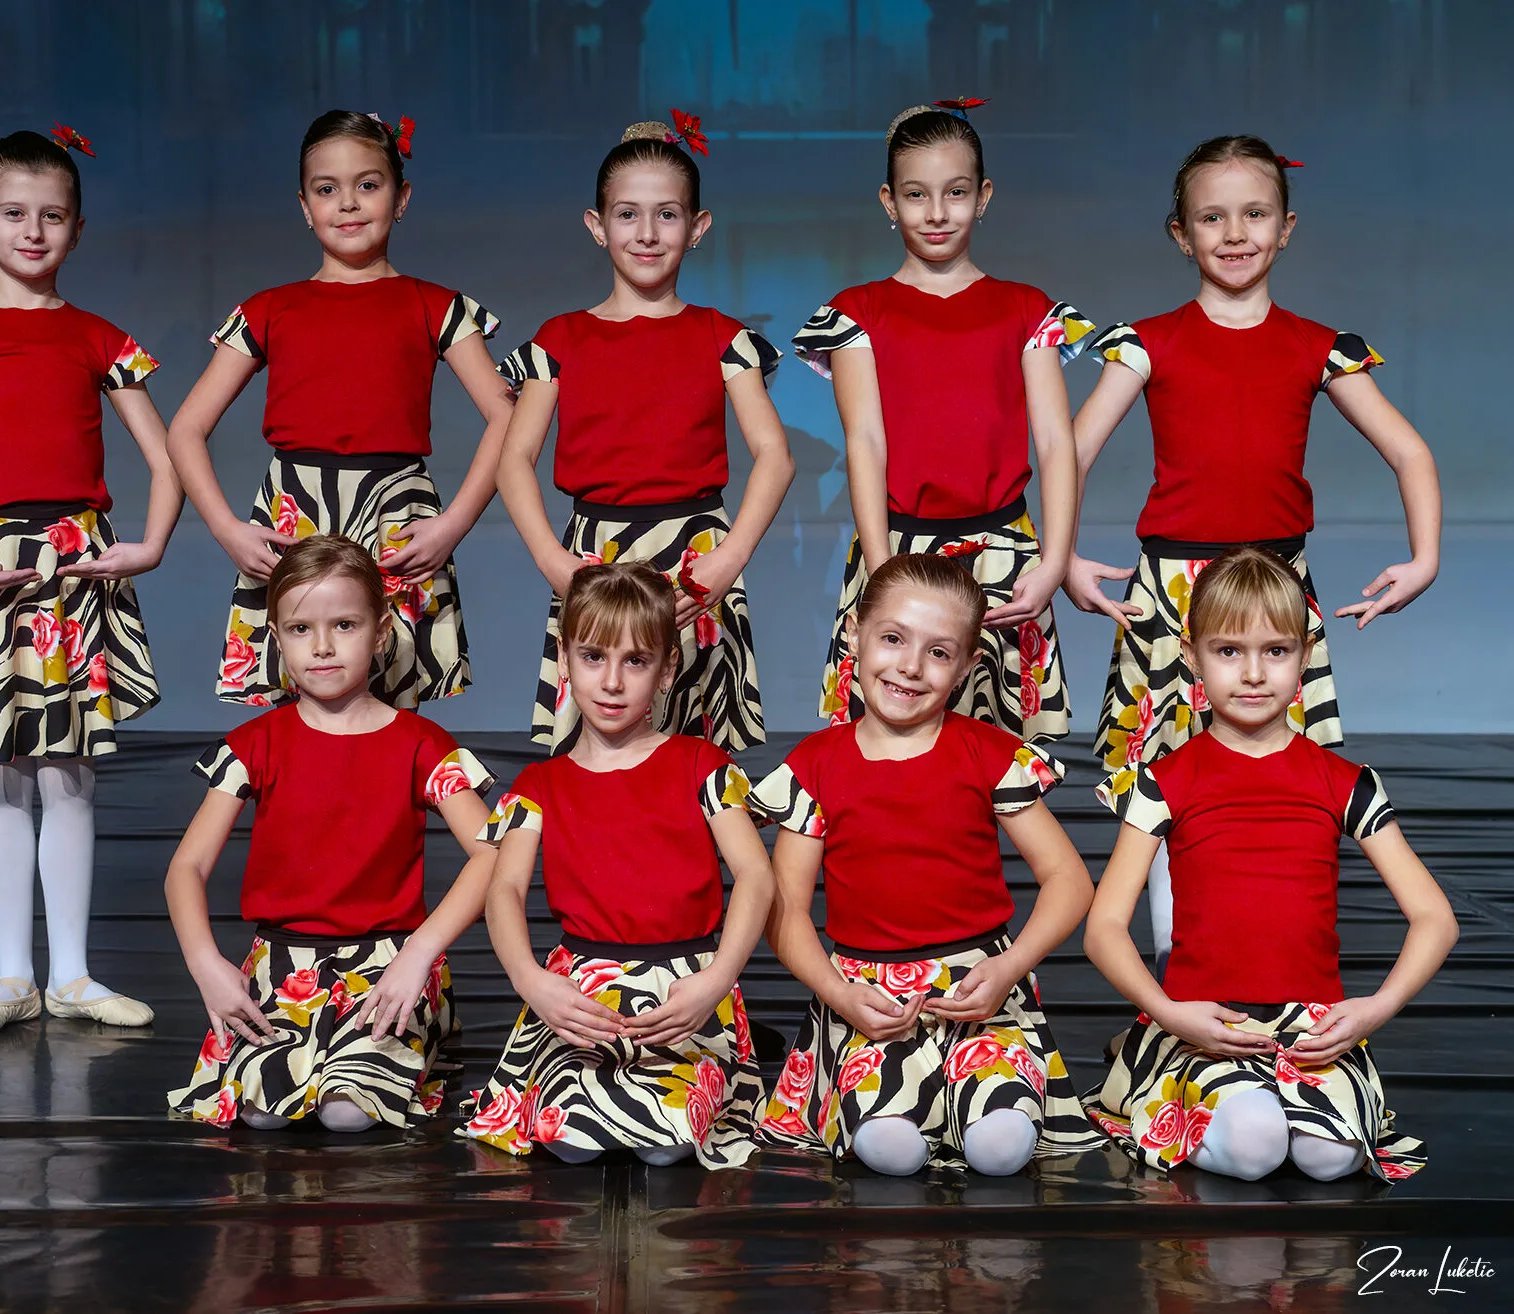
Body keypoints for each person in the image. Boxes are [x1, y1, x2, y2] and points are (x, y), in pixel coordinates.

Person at [1066, 135, 1442, 974]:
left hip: (1274, 591)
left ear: (1286, 227)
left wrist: (1425, 559)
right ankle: (1181, 964)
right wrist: (1060, 559)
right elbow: (1070, 452)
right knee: (1167, 778)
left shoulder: (1318, 345)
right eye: (1213, 217)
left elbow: (1410, 451)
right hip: (1174, 592)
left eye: (1254, 214)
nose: (1235, 233)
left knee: (1274, 778)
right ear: (1180, 233)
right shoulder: (1146, 343)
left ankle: (1270, 956)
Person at [0, 126, 180, 1036]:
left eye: (53, 215)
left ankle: (74, 975)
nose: (33, 231)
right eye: (14, 213)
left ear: (78, 229)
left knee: (69, 771)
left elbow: (165, 458)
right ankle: (12, 976)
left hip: (69, 565)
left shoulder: (99, 338)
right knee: (2, 770)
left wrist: (150, 545)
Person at [1084, 547, 1455, 1181]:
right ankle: (1168, 1077)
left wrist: (1374, 1009)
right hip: (1206, 1024)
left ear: (1305, 657)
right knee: (1255, 1146)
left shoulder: (1344, 781)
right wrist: (1171, 1013)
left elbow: (1435, 918)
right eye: (1229, 651)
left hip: (1312, 1034)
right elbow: (1103, 929)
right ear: (1193, 657)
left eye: (1275, 651)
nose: (1253, 674)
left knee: (1332, 1158)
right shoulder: (1163, 781)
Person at [751, 553, 1102, 1175]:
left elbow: (1069, 879)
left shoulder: (986, 752)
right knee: (889, 1150)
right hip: (869, 1002)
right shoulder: (815, 765)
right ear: (854, 635)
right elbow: (786, 912)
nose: (910, 666)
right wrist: (838, 994)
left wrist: (1009, 967)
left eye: (938, 652)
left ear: (967, 667)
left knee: (1002, 1148)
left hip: (979, 992)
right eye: (893, 639)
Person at [166, 110, 510, 709]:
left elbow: (508, 417)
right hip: (296, 512)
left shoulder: (436, 306)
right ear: (305, 206)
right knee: (301, 689)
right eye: (327, 189)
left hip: (396, 512)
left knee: (393, 690)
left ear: (402, 198)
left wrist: (454, 523)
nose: (348, 203)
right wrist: (226, 528)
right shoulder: (269, 310)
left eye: (367, 185)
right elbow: (186, 429)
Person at [167, 536, 497, 1131]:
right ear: (276, 638)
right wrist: (205, 963)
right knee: (262, 1114)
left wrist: (420, 952)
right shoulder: (254, 744)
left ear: (381, 631)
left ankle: (400, 1046)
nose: (322, 647)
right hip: (282, 966)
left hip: (390, 964)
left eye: (344, 625)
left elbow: (491, 853)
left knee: (347, 1112)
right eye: (301, 629)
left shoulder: (422, 745)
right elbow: (186, 868)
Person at [497, 112, 794, 754]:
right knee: (598, 750)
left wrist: (728, 560)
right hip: (594, 559)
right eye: (628, 214)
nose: (648, 233)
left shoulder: (722, 336)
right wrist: (554, 561)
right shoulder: (561, 338)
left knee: (697, 756)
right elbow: (514, 458)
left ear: (698, 227)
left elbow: (775, 454)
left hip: (697, 559)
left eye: (667, 215)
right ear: (597, 225)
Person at [795, 99, 1091, 739]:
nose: (936, 212)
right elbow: (865, 442)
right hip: (897, 548)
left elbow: (1055, 443)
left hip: (1005, 557)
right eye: (916, 194)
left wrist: (1053, 563)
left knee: (1005, 756)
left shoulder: (1027, 309)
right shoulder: (858, 311)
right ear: (889, 201)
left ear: (983, 197)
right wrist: (882, 570)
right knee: (888, 746)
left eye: (955, 192)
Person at [463, 563, 773, 1168]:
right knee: (568, 1138)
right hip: (582, 998)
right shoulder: (540, 784)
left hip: (682, 990)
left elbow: (756, 876)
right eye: (593, 657)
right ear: (564, 659)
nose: (611, 681)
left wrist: (715, 981)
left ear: (667, 670)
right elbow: (504, 889)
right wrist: (532, 981)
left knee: (666, 1144)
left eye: (635, 661)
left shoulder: (701, 764)